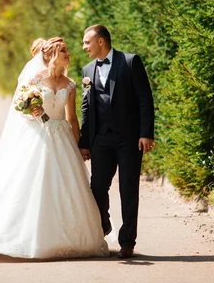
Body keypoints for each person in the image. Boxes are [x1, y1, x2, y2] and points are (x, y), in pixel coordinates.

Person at [0, 37, 108, 259]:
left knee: (67, 187)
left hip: (62, 139)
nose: (68, 53)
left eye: (67, 50)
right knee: (32, 184)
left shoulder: (70, 84)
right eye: (63, 51)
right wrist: (35, 113)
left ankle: (68, 237)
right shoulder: (34, 80)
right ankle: (17, 236)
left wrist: (80, 146)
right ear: (50, 56)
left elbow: (72, 119)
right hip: (38, 137)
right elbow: (21, 108)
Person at [78, 24, 155, 259]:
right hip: (100, 140)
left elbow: (145, 99)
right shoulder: (87, 70)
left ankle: (127, 242)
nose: (84, 47)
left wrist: (146, 133)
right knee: (97, 188)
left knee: (128, 190)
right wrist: (84, 141)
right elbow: (86, 108)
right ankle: (104, 223)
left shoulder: (130, 62)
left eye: (87, 42)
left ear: (101, 41)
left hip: (129, 139)